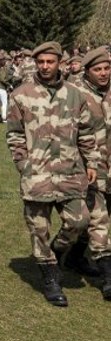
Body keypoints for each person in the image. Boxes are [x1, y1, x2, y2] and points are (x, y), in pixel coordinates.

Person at [6, 41, 99, 307]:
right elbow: (14, 134)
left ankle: (58, 251)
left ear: (60, 62)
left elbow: (86, 133)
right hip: (37, 175)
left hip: (70, 172)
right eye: (40, 62)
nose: (45, 66)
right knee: (39, 229)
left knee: (79, 221)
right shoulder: (21, 94)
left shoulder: (75, 94)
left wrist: (91, 162)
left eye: (50, 62)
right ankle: (50, 277)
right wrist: (23, 163)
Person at [60, 47, 111, 297]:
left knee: (96, 217)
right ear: (87, 71)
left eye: (107, 68)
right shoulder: (75, 94)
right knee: (98, 218)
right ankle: (108, 278)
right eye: (98, 69)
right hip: (87, 167)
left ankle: (73, 257)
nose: (104, 73)